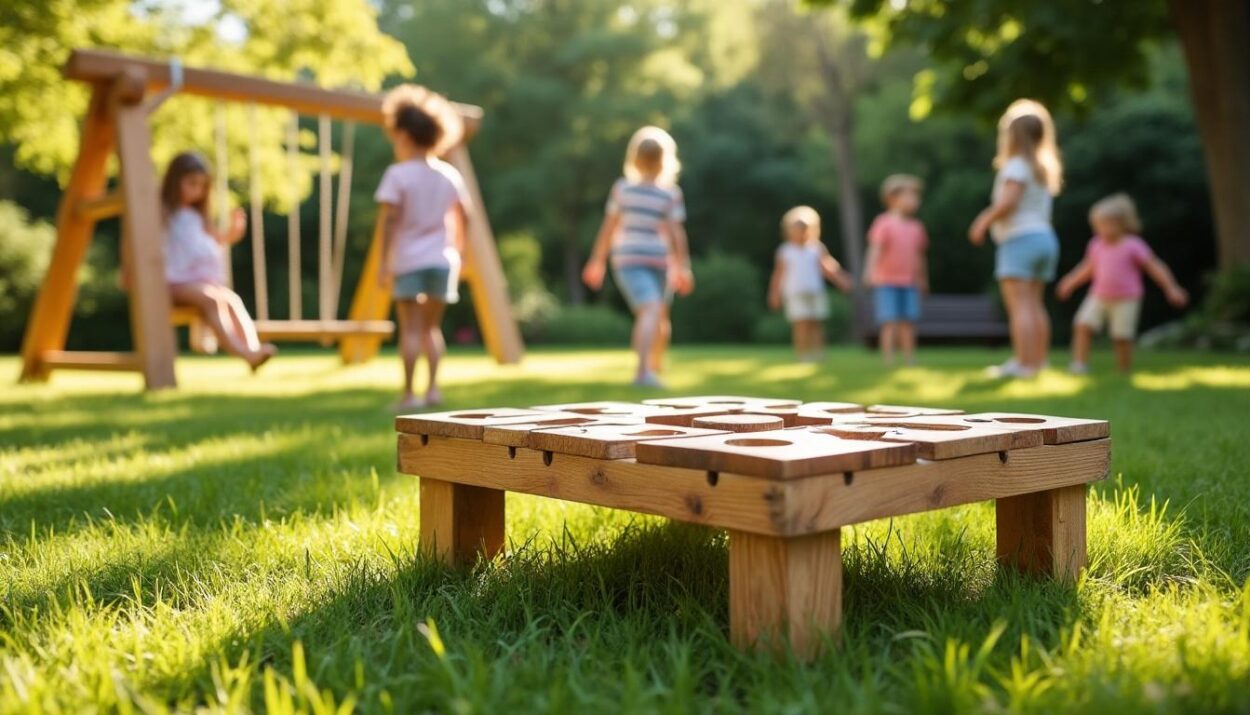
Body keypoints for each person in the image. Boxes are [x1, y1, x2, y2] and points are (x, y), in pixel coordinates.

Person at [375, 84, 471, 410]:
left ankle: (407, 394)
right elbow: (465, 215)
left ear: (402, 134)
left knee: (411, 329)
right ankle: (432, 390)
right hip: (443, 261)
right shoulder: (449, 175)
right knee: (432, 328)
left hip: (408, 260)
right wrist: (459, 249)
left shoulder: (397, 175)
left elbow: (388, 221)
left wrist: (383, 261)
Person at [583, 126, 694, 388]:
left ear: (633, 158)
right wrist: (683, 266)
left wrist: (598, 260)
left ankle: (653, 367)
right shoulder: (629, 190)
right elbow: (677, 234)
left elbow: (610, 228)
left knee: (659, 314)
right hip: (633, 262)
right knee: (652, 309)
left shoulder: (662, 193)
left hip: (654, 263)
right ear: (667, 160)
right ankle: (643, 372)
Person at [968, 99, 1063, 379]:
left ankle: (1024, 363)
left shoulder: (1016, 166)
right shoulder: (1043, 168)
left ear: (1011, 135)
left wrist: (983, 220)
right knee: (1034, 303)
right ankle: (1038, 361)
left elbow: (1008, 202)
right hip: (1045, 238)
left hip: (1020, 239)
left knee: (1019, 305)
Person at [158, 151, 276, 371]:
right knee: (212, 300)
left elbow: (218, 240)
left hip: (200, 281)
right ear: (174, 182)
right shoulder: (164, 213)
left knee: (231, 299)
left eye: (202, 186)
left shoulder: (197, 217)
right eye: (191, 183)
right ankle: (244, 354)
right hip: (174, 281)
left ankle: (253, 350)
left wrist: (234, 232)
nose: (197, 191)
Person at [1056, 193, 1188, 374]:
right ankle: (1079, 364)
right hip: (1098, 295)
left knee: (1121, 336)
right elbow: (1087, 268)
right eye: (1097, 226)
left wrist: (1171, 287)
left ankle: (1123, 369)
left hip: (1127, 298)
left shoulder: (1133, 245)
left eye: (1103, 225)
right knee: (1082, 325)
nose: (1099, 230)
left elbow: (1154, 266)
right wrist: (1070, 282)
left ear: (1120, 223)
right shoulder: (1096, 244)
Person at [768, 206, 853, 362]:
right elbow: (778, 275)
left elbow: (828, 267)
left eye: (804, 228)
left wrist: (841, 279)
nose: (801, 232)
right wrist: (774, 294)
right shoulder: (785, 251)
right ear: (789, 230)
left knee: (816, 324)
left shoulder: (816, 248)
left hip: (815, 291)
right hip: (795, 293)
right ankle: (803, 355)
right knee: (801, 324)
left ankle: (819, 354)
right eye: (797, 228)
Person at [864, 175, 929, 366]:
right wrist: (869, 271)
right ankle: (889, 358)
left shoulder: (916, 227)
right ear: (893, 198)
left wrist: (923, 279)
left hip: (909, 282)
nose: (915, 201)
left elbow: (919, 256)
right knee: (889, 320)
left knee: (908, 321)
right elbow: (875, 249)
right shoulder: (883, 223)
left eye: (916, 197)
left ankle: (909, 357)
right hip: (886, 281)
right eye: (910, 196)